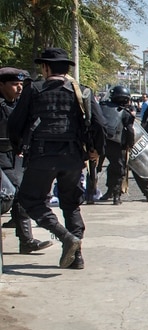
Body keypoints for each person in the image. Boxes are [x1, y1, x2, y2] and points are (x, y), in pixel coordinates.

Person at [8, 47, 105, 269]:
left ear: (45, 67)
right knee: (71, 205)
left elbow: (15, 123)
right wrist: (96, 150)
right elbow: (100, 124)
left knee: (29, 200)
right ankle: (76, 257)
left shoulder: (34, 89)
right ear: (66, 69)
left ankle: (65, 236)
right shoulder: (82, 91)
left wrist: (18, 146)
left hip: (42, 156)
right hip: (73, 157)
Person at [0, 66, 53, 254]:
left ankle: (26, 241)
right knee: (14, 194)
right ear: (2, 85)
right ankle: (27, 240)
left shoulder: (19, 105)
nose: (19, 88)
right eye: (15, 84)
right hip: (2, 156)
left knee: (20, 195)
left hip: (15, 155)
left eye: (21, 84)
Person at [99, 85, 148, 204]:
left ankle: (93, 194)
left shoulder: (102, 107)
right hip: (117, 144)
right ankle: (116, 195)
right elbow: (130, 131)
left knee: (97, 169)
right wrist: (130, 144)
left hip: (100, 142)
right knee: (119, 169)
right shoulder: (125, 113)